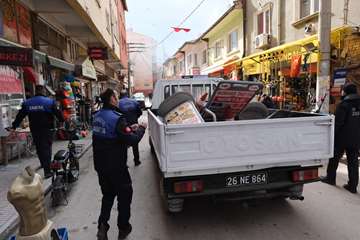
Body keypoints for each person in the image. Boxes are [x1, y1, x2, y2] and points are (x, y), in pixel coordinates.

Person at [92, 88, 146, 240]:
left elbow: (114, 134)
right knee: (124, 196)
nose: (117, 99)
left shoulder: (96, 116)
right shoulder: (117, 118)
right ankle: (123, 227)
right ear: (112, 99)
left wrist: (129, 129)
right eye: (115, 96)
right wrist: (141, 128)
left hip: (101, 167)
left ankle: (102, 225)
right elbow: (131, 140)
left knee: (108, 196)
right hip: (117, 167)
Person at [11, 85, 64, 178]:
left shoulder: (28, 103)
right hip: (47, 129)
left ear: (35, 91)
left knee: (39, 148)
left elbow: (20, 116)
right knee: (47, 148)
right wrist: (62, 121)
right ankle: (47, 171)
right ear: (43, 91)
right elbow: (58, 113)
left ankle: (44, 164)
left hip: (35, 129)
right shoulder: (49, 102)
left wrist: (14, 126)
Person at [321, 83, 360, 194]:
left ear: (346, 92)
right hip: (356, 138)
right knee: (353, 162)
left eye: (343, 90)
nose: (341, 92)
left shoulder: (344, 105)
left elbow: (338, 123)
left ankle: (330, 178)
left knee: (334, 159)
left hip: (342, 138)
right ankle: (353, 186)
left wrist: (331, 135)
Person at [118, 90, 143, 166]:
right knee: (135, 142)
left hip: (124, 125)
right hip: (134, 124)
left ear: (120, 95)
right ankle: (136, 160)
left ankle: (124, 164)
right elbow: (140, 112)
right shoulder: (134, 101)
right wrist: (135, 118)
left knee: (123, 144)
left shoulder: (118, 103)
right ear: (127, 95)